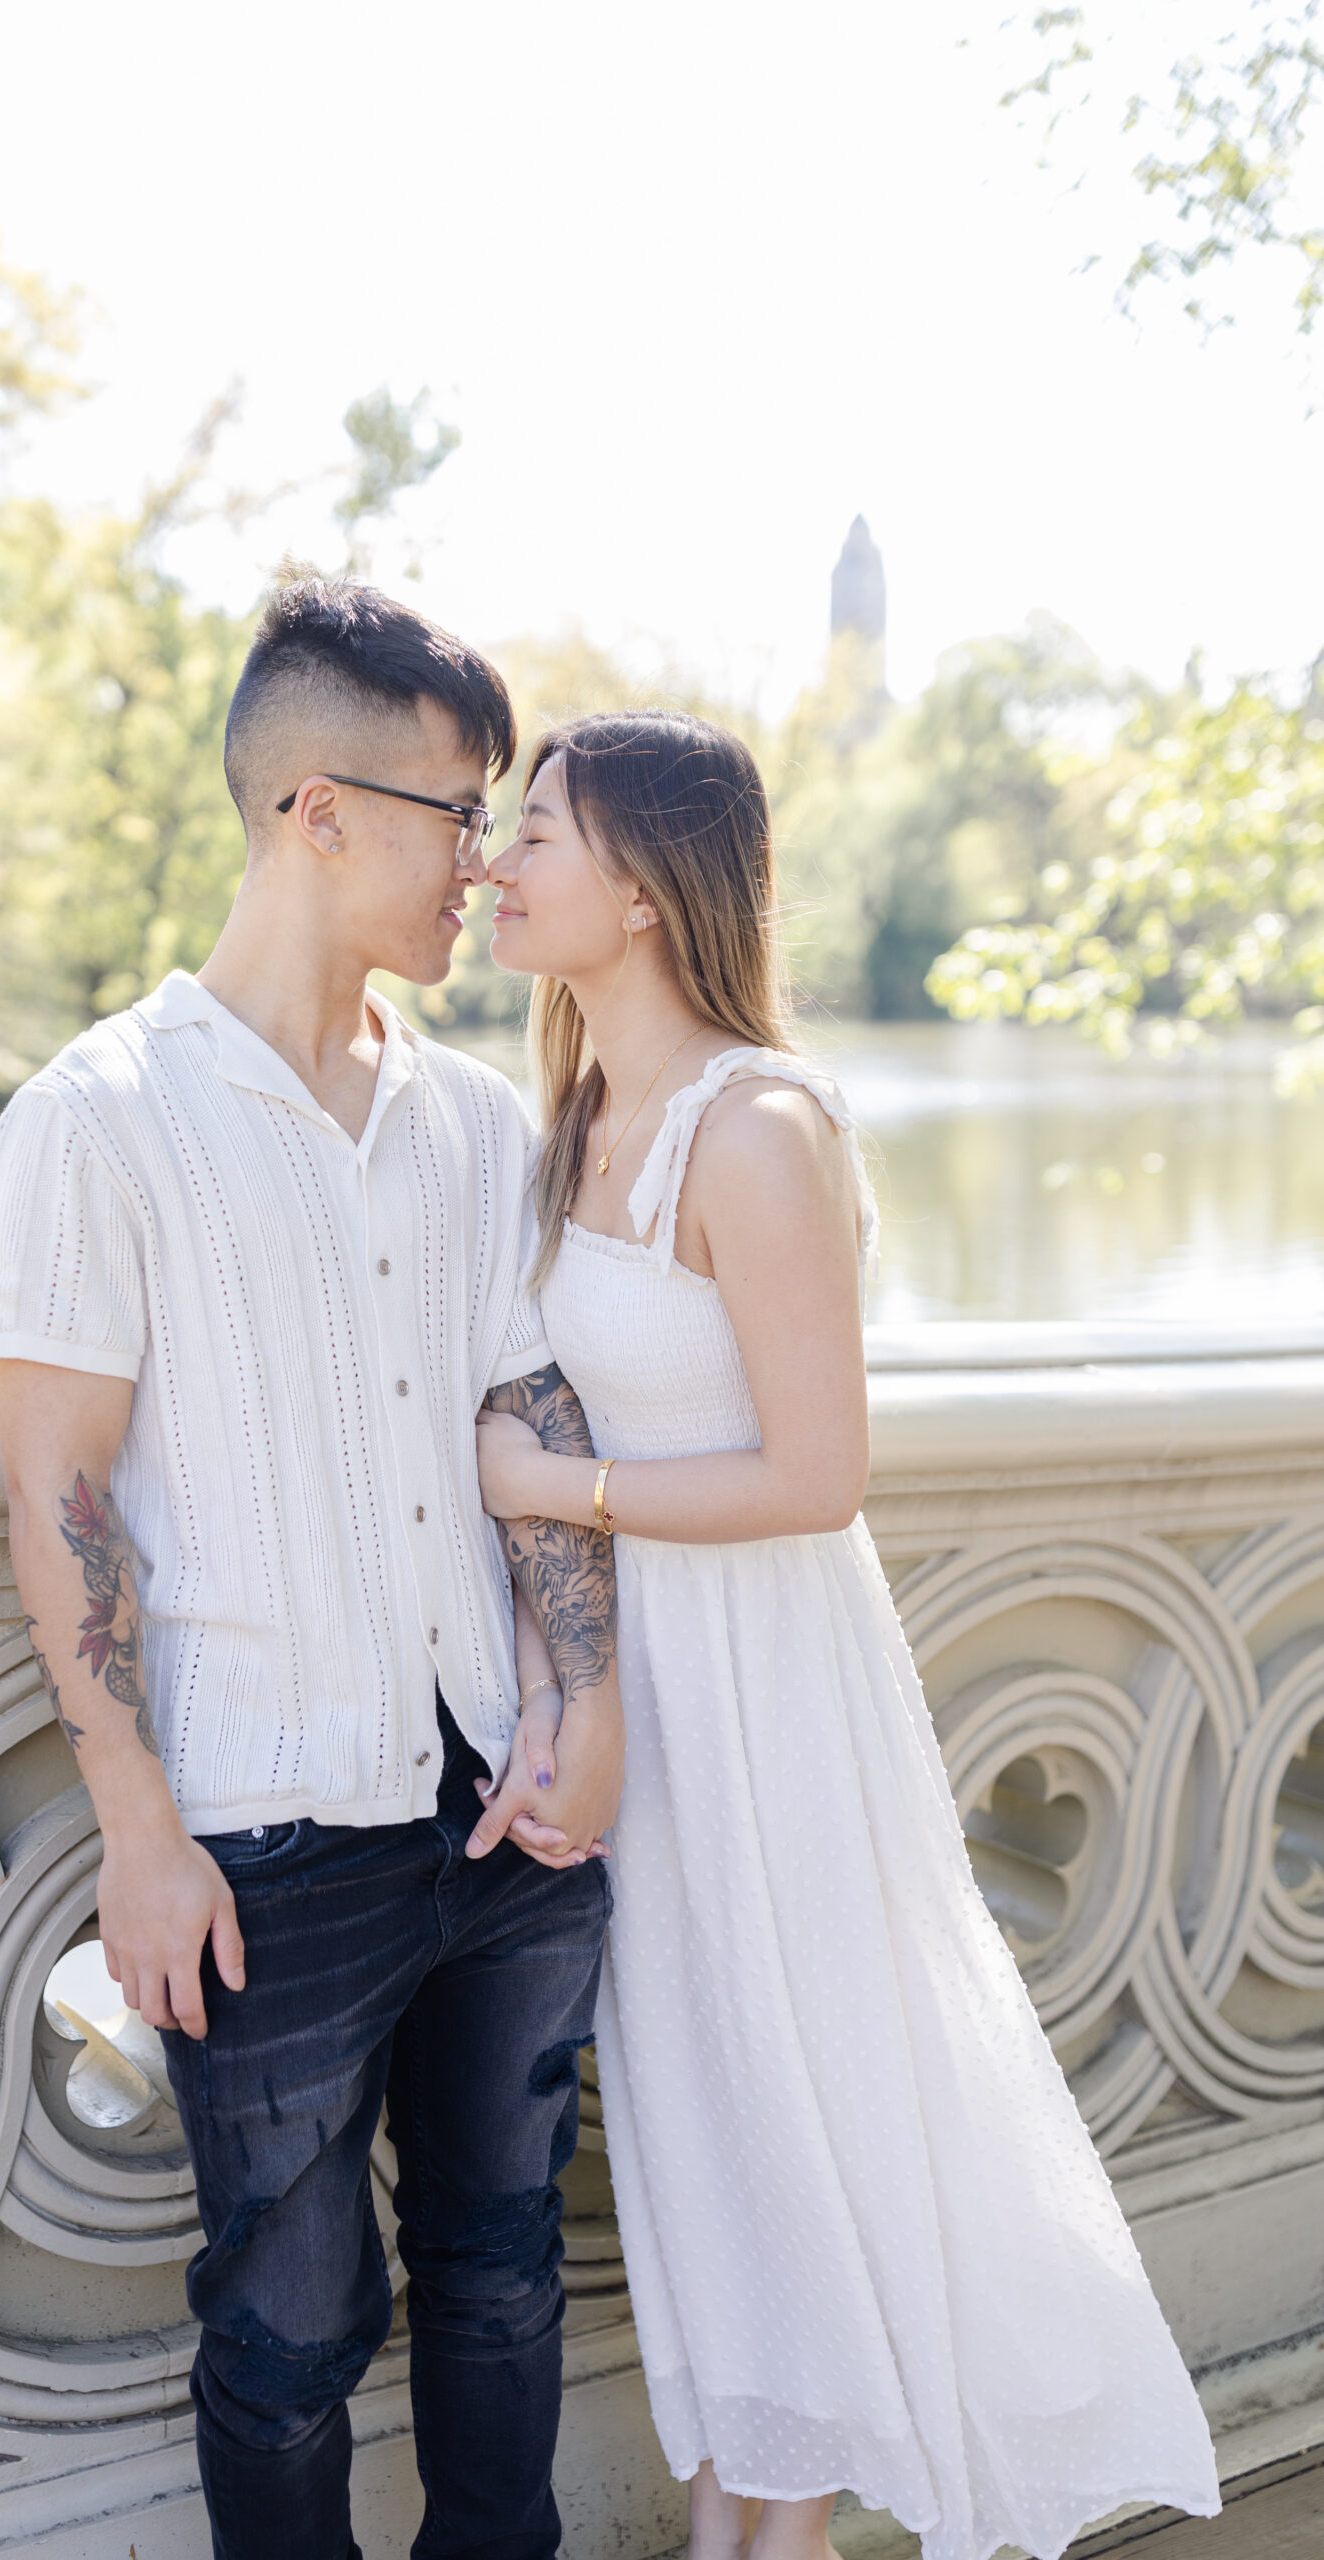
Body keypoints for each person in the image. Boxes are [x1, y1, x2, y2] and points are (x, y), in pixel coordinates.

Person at [473, 713, 1223, 2560]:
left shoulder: (760, 1127)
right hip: (644, 1698)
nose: (497, 861)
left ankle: (783, 2537)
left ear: (641, 889)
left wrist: (555, 1496)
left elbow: (819, 1473)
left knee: (793, 2116)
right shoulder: (572, 1118)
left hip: (770, 1693)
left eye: (538, 832)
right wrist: (563, 1676)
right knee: (711, 2138)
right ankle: (752, 2525)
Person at [0, 581, 623, 2560]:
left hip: (498, 1804)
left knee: (503, 2272)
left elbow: (534, 1428)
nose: (481, 858)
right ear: (312, 810)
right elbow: (56, 1497)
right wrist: (134, 1824)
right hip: (256, 1844)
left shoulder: (476, 1118)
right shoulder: (94, 1123)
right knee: (286, 2324)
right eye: (453, 809)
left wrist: (577, 1704)